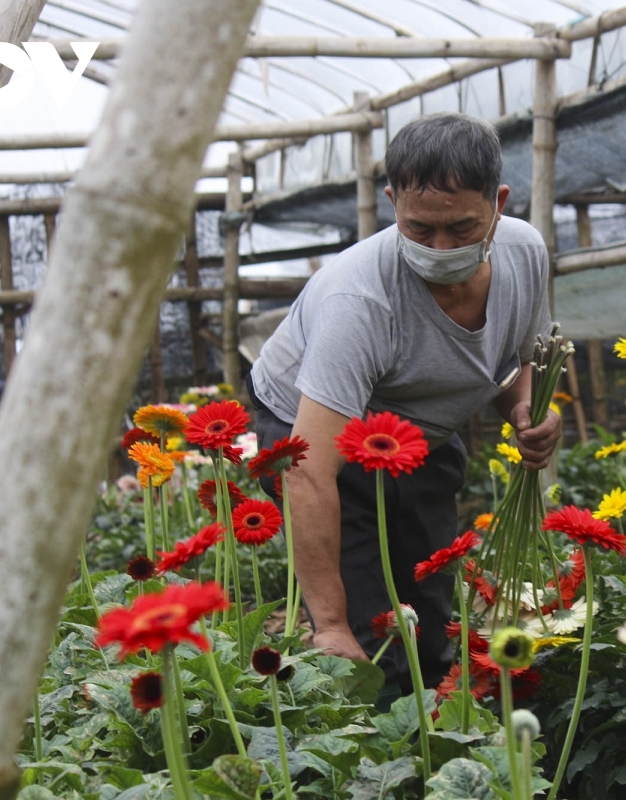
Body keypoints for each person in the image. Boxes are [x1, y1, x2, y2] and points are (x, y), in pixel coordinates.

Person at [245, 112, 561, 695]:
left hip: (423, 430)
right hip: (310, 426)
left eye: (462, 229)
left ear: (500, 202)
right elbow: (309, 471)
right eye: (419, 230)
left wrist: (526, 409)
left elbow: (521, 363)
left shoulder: (525, 254)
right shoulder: (359, 298)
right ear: (393, 201)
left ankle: (447, 738)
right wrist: (332, 625)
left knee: (428, 607)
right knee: (372, 640)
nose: (441, 248)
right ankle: (376, 754)